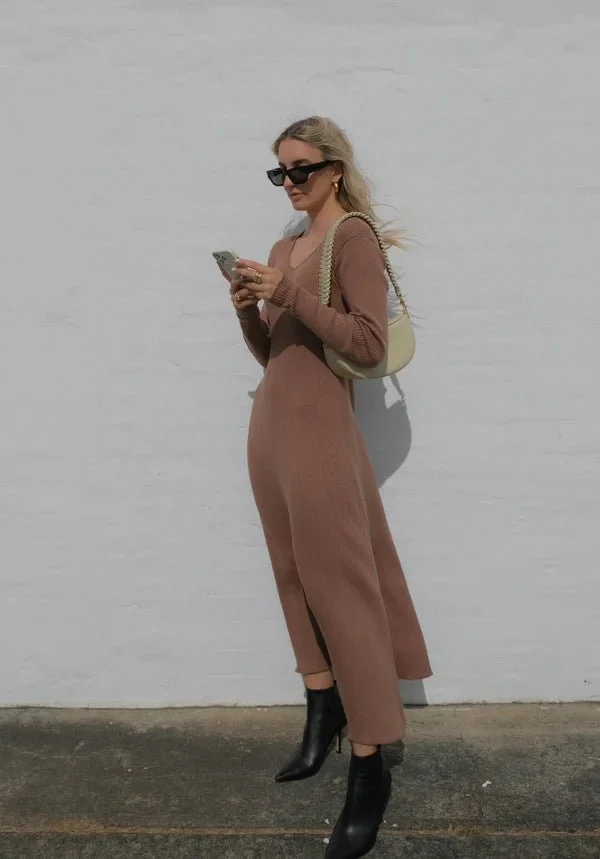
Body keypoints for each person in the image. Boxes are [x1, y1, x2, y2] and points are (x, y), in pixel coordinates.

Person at [223, 115, 432, 859]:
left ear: (334, 169)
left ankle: (370, 761)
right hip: (271, 428)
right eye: (280, 172)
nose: (291, 182)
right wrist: (251, 305)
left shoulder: (352, 241)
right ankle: (322, 706)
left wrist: (295, 293)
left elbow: (369, 342)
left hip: (319, 433)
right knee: (290, 573)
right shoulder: (284, 245)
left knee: (341, 584)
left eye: (302, 168)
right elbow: (274, 352)